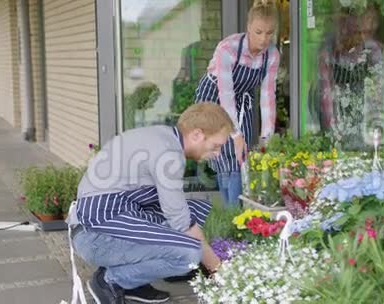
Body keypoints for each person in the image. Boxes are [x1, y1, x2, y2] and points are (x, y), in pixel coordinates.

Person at [67, 103, 233, 304]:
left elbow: (176, 211)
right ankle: (111, 281)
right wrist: (218, 270)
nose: (217, 153)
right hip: (95, 236)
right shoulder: (169, 154)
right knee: (190, 254)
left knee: (197, 211)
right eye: (216, 146)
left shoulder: (162, 137)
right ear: (197, 134)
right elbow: (181, 222)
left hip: (100, 222)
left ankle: (134, 281)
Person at [195, 0, 280, 207]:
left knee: (243, 156)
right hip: (214, 98)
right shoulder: (228, 48)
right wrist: (235, 134)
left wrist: (266, 138)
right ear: (248, 27)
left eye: (269, 33)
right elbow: (226, 94)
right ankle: (232, 214)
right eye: (258, 32)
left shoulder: (272, 55)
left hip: (243, 100)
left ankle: (233, 215)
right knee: (225, 154)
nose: (264, 39)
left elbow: (268, 97)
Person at [318, 8, 384, 149]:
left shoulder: (372, 49)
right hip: (337, 112)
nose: (344, 34)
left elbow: (380, 84)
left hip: (362, 111)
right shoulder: (328, 55)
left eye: (349, 30)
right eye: (340, 31)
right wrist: (332, 127)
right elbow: (326, 94)